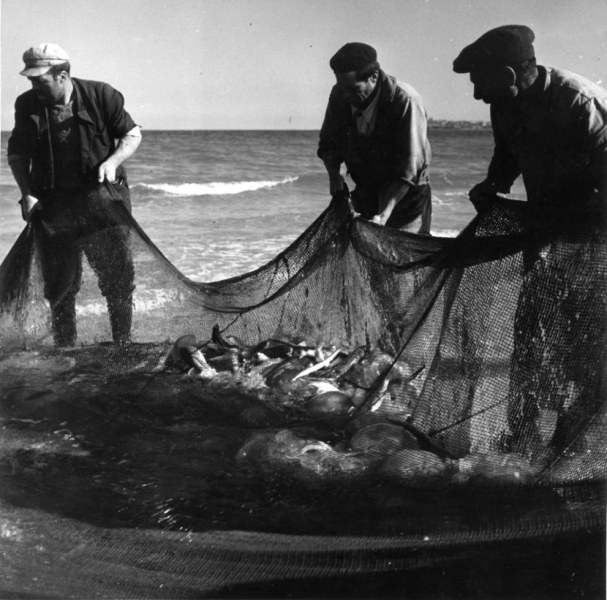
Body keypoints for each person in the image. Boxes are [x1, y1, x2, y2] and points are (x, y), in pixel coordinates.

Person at [452, 25, 607, 459]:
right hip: (550, 226)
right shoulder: (505, 103)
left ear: (506, 73)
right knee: (531, 333)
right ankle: (522, 438)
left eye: (479, 81)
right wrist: (493, 183)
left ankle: (573, 444)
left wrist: (579, 245)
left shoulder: (581, 101)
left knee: (589, 344)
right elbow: (507, 155)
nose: (478, 94)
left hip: (595, 234)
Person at [7, 43, 142, 347]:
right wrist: (27, 193)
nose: (34, 86)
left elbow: (132, 134)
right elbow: (17, 154)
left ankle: (123, 344)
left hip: (102, 202)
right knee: (60, 286)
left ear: (63, 75)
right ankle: (66, 350)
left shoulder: (102, 95)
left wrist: (112, 162)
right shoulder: (27, 104)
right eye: (31, 80)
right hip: (54, 207)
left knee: (118, 279)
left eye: (40, 80)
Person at [317, 42, 432, 233]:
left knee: (403, 257)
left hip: (406, 196)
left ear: (374, 76)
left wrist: (384, 214)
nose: (345, 95)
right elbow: (329, 142)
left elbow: (410, 166)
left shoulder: (405, 100)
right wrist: (333, 175)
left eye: (352, 89)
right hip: (367, 191)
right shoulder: (339, 93)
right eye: (341, 87)